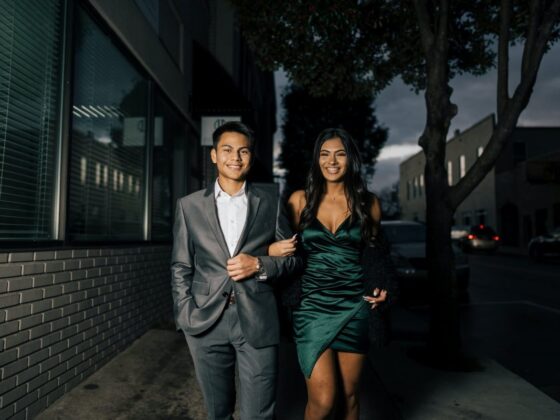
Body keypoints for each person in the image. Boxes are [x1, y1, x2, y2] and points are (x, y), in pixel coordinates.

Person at [171, 121, 301, 420]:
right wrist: (184, 312)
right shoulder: (188, 206)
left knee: (258, 414)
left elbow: (293, 259)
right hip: (205, 320)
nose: (236, 157)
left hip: (257, 318)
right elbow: (181, 265)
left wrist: (258, 264)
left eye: (243, 151)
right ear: (214, 155)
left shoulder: (270, 203)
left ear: (251, 158)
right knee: (218, 413)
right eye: (227, 150)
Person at [269, 128, 389, 420]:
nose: (331, 161)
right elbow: (283, 247)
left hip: (354, 305)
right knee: (323, 401)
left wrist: (382, 286)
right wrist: (271, 250)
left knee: (349, 397)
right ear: (316, 160)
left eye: (340, 154)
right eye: (324, 154)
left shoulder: (369, 204)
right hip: (311, 307)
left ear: (351, 159)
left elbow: (375, 253)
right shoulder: (299, 200)